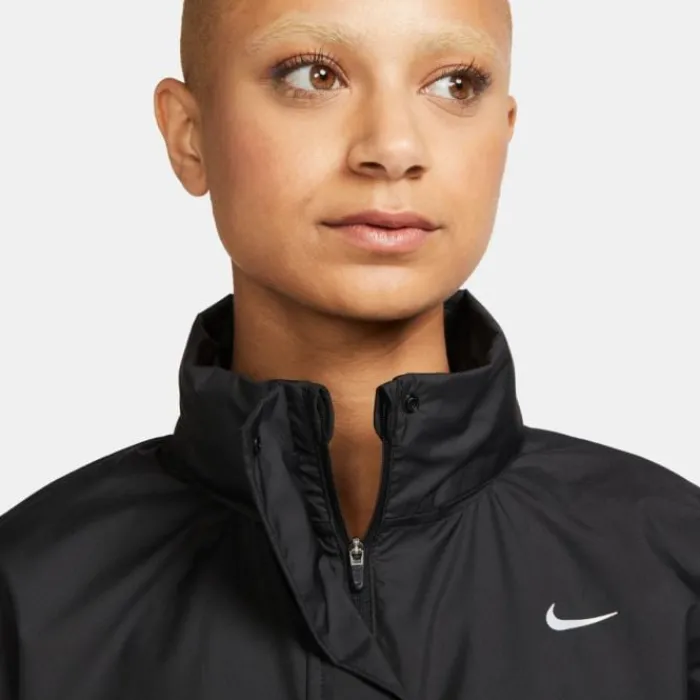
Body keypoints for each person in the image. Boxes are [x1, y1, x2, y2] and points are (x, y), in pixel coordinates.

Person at [1, 0, 699, 697]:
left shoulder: (673, 570)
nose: (393, 148)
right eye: (313, 75)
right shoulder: (31, 598)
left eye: (455, 84)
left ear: (503, 133)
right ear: (189, 135)